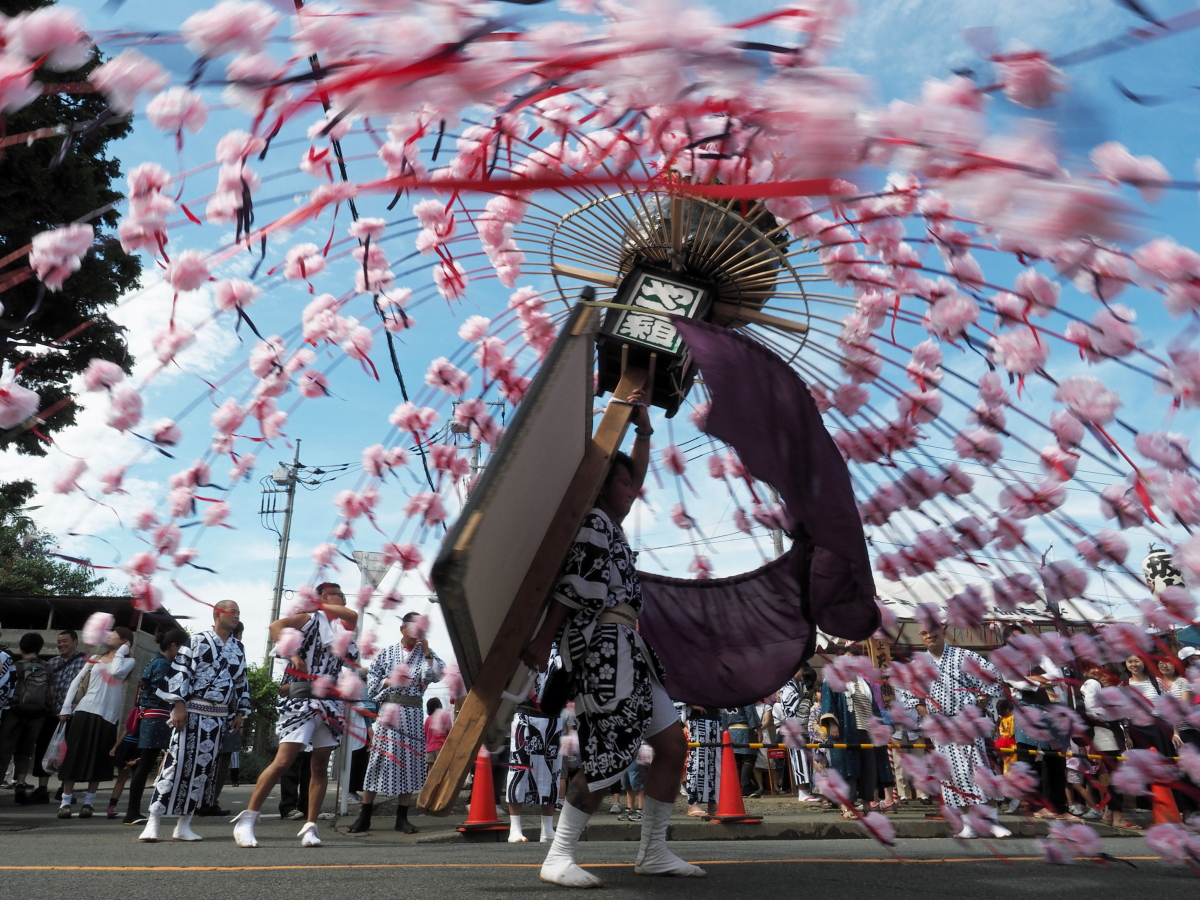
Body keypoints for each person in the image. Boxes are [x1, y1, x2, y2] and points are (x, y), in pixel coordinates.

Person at [522, 389, 705, 888]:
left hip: (631, 649)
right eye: (625, 480)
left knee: (671, 744)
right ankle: (557, 855)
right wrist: (543, 640)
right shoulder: (593, 524)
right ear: (606, 486)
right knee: (611, 750)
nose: (634, 487)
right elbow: (572, 587)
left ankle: (654, 851)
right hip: (603, 651)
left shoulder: (609, 524)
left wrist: (643, 429)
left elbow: (636, 474)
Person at [234, 583, 358, 848]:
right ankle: (248, 818)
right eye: (340, 595)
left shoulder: (341, 628)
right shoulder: (310, 618)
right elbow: (276, 627)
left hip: (330, 699)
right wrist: (293, 654)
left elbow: (353, 618)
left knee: (319, 765)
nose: (344, 600)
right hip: (302, 698)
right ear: (325, 596)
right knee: (283, 761)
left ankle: (310, 825)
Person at [140, 602, 250, 842]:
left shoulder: (238, 648)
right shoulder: (197, 641)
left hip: (220, 716)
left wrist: (240, 712)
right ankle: (153, 821)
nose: (236, 616)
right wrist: (178, 705)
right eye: (232, 612)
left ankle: (183, 825)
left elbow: (241, 681)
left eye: (238, 613)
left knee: (204, 771)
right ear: (217, 614)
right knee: (176, 764)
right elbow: (181, 672)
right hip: (193, 711)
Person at [901, 623, 1010, 839]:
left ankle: (992, 821)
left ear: (942, 632)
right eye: (924, 633)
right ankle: (967, 824)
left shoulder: (964, 655)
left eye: (933, 631)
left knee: (978, 769)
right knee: (952, 775)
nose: (929, 636)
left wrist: (979, 704)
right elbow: (912, 697)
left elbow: (991, 679)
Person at [346, 610, 442, 835]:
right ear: (403, 629)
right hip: (390, 712)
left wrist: (427, 651)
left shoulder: (426, 653)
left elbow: (436, 675)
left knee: (408, 763)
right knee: (378, 761)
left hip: (413, 712)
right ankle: (365, 815)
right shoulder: (387, 652)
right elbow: (372, 680)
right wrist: (390, 680)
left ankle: (402, 817)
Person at [57, 626, 136, 819]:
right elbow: (77, 680)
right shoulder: (97, 658)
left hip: (108, 715)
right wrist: (66, 707)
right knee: (74, 755)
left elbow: (117, 672)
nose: (109, 637)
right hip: (85, 709)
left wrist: (124, 651)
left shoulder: (128, 660)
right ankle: (65, 802)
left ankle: (89, 803)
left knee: (99, 759)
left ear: (124, 640)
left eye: (114, 634)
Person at [1002, 624, 1072, 820]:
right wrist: (1042, 681)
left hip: (1049, 712)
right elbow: (1020, 684)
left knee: (1055, 759)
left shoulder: (1040, 656)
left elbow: (1057, 676)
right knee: (1028, 760)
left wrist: (1034, 678)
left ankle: (1058, 806)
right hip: (1026, 712)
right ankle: (1035, 805)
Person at [819, 646, 893, 819]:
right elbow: (828, 703)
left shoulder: (863, 681)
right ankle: (846, 807)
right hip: (846, 729)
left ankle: (866, 806)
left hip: (867, 731)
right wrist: (832, 724)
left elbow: (874, 708)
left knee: (869, 769)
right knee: (848, 770)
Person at [123, 629, 187, 826]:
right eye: (183, 648)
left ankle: (137, 810)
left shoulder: (156, 661)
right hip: (157, 718)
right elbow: (167, 693)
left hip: (152, 718)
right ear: (174, 646)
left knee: (147, 765)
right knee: (146, 765)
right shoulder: (164, 665)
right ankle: (132, 812)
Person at [25, 630, 86, 806]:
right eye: (59, 641)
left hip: (71, 716)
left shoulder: (84, 663)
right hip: (51, 714)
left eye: (65, 641)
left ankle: (63, 789)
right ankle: (42, 789)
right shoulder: (51, 663)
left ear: (75, 641)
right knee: (43, 750)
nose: (61, 644)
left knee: (67, 753)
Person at [506, 669, 563, 843]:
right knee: (519, 769)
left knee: (551, 772)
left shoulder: (563, 647)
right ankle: (514, 828)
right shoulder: (527, 646)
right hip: (525, 712)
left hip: (554, 717)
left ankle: (547, 828)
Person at [0, 633, 54, 800]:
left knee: (4, 750)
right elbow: (51, 693)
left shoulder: (16, 665)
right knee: (25, 751)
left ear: (21, 647)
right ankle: (21, 782)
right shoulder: (47, 667)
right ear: (39, 648)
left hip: (14, 713)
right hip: (37, 716)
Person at [1080, 662, 1133, 829]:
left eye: (1106, 674)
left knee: (1116, 774)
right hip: (1103, 731)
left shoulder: (1115, 691)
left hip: (1113, 732)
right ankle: (1117, 816)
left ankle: (1109, 813)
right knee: (1117, 774)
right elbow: (1092, 710)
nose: (1102, 676)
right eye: (1099, 673)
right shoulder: (1092, 685)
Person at [778, 665, 818, 803]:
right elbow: (793, 706)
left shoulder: (798, 685)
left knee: (807, 760)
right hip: (794, 726)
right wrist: (806, 698)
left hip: (805, 727)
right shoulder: (787, 685)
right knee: (799, 760)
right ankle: (802, 792)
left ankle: (809, 791)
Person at [682, 704, 721, 816]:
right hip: (697, 718)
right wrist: (690, 702)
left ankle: (712, 802)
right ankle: (692, 804)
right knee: (698, 760)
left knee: (714, 763)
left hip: (714, 717)